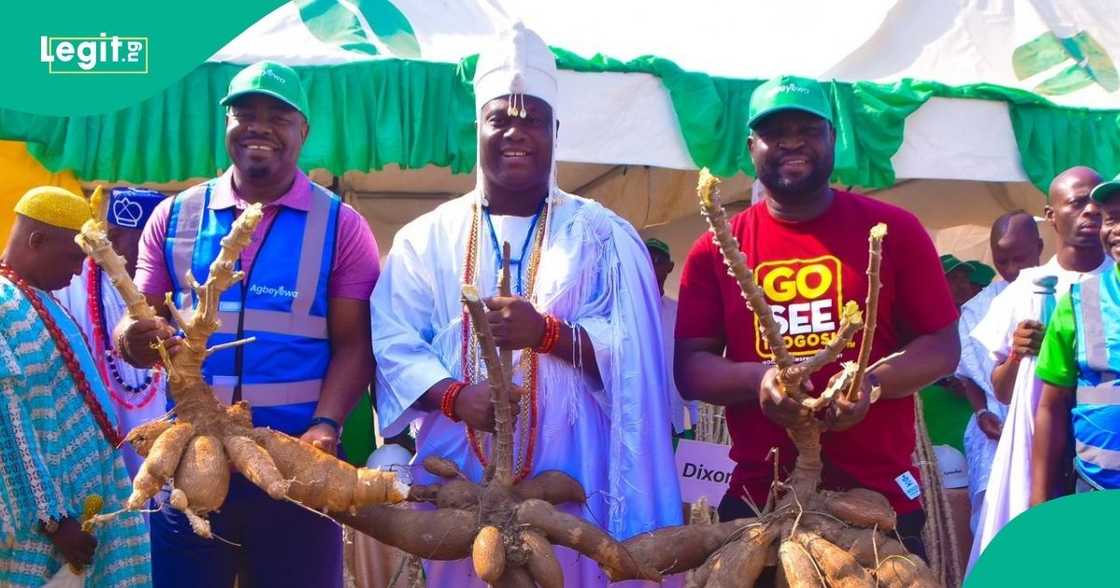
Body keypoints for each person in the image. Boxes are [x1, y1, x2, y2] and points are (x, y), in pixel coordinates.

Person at [371, 24, 681, 586]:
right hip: (460, 477)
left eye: (532, 119)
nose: (517, 133)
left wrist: (549, 334)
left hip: (577, 477)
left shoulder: (605, 237)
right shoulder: (423, 239)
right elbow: (392, 342)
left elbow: (638, 358)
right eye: (501, 119)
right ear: (478, 129)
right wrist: (455, 396)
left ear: (555, 131)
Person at [115, 61, 380, 587]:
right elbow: (136, 325)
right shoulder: (174, 218)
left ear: (303, 131)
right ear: (227, 125)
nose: (260, 125)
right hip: (192, 459)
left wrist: (326, 426)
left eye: (278, 116)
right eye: (245, 113)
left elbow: (356, 344)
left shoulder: (341, 226)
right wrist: (135, 339)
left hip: (297, 461)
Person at [675, 75, 959, 558]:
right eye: (774, 132)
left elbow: (941, 345)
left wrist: (871, 383)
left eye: (807, 128)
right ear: (750, 146)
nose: (791, 142)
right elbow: (691, 368)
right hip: (759, 500)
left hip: (878, 503)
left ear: (833, 138)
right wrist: (757, 381)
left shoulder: (894, 232)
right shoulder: (714, 248)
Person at [0, 187, 150, 587]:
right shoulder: (3, 303)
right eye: (73, 257)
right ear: (37, 240)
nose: (80, 272)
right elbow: (6, 423)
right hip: (43, 526)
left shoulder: (37, 299)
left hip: (79, 511)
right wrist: (53, 520)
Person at [967, 166, 1109, 567]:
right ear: (1051, 215)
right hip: (1035, 444)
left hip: (1101, 450)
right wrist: (1016, 354)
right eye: (1077, 203)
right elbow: (1003, 392)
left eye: (1098, 203)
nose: (1090, 213)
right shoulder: (1025, 289)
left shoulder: (1115, 283)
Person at [54, 187, 168, 479]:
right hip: (96, 425)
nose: (111, 245)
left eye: (122, 237)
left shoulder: (177, 285)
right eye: (111, 235)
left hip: (164, 427)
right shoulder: (75, 280)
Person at [1032, 173, 1120, 502]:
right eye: (1112, 219)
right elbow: (1051, 409)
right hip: (1095, 493)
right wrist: (1038, 503)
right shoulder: (1078, 302)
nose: (1118, 230)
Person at [955, 211, 1043, 532]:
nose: (1011, 270)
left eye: (1020, 259)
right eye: (1001, 260)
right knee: (996, 525)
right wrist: (981, 412)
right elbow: (969, 374)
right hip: (995, 429)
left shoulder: (1062, 294)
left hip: (1051, 428)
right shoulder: (979, 308)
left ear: (1040, 247)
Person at [646, 237, 698, 438]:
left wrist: (692, 414)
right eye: (644, 260)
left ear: (670, 267)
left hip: (676, 419)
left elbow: (688, 363)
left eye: (657, 261)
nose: (650, 266)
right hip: (637, 419)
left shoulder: (679, 312)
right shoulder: (624, 312)